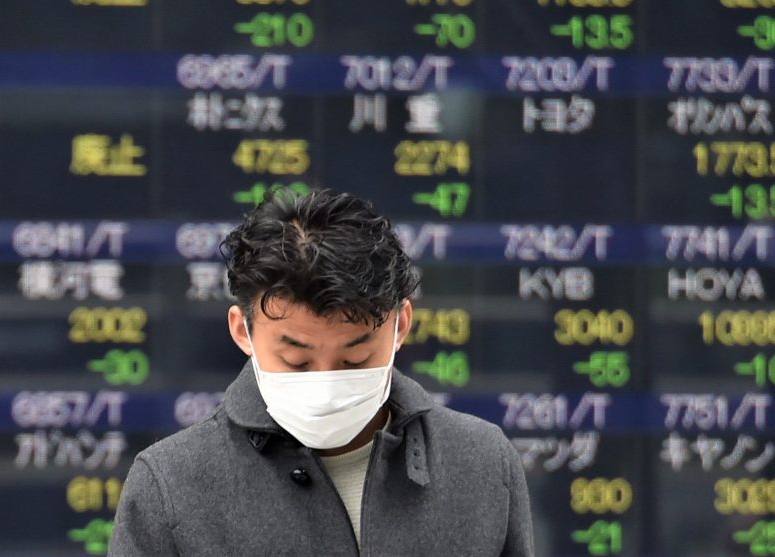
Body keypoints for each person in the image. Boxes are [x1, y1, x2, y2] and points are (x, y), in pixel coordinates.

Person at [108, 188, 534, 556]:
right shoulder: (170, 486)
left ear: (401, 325)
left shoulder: (483, 463)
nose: (326, 382)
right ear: (243, 332)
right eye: (296, 360)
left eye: (356, 359)